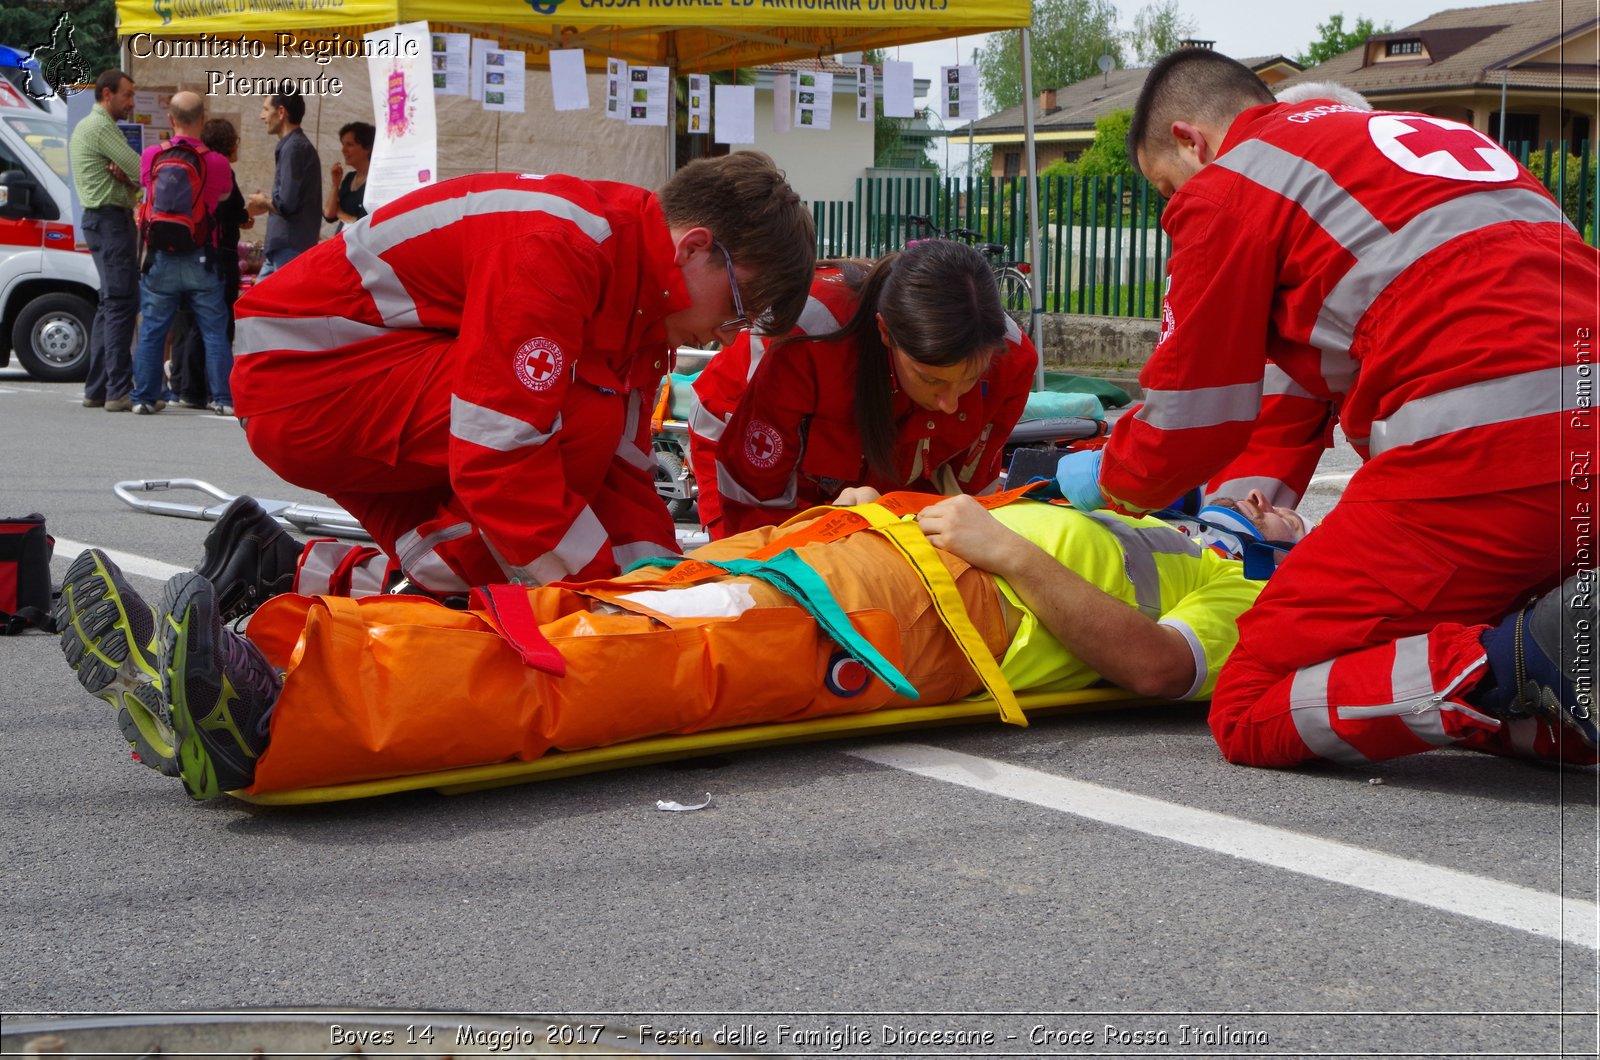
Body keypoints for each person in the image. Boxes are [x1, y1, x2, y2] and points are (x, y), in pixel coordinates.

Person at [1049, 48, 1600, 768]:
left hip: (1482, 453)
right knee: (1472, 620)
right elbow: (1283, 401)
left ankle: (1516, 663)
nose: (1172, 206)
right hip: (1567, 446)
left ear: (1192, 140)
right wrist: (1232, 524)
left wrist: (1101, 479)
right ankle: (1547, 697)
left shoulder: (1232, 183)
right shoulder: (1427, 153)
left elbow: (1188, 420)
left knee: (1249, 705)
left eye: (1164, 185)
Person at [54, 489, 1265, 800]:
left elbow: (1153, 667)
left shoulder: (1243, 600)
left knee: (633, 657)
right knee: (590, 615)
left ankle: (277, 710)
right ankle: (284, 627)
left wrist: (1002, 549)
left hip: (913, 622)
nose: (1278, 502)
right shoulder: (1167, 523)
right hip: (858, 563)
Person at [226, 152, 816, 605]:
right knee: (567, 430)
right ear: (693, 248)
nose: (726, 335)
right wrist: (602, 598)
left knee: (492, 580)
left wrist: (668, 592)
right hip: (303, 379)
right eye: (739, 306)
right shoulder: (561, 245)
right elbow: (499, 455)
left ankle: (288, 571)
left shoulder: (636, 290)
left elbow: (627, 480)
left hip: (360, 381)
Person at [689, 239, 1039, 538]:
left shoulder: (1013, 361)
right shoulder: (811, 336)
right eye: (931, 379)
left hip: (865, 467)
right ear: (885, 332)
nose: (949, 405)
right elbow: (754, 502)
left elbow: (967, 503)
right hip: (743, 442)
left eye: (970, 379)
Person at [126, 92, 236, 417]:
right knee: (214, 330)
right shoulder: (217, 162)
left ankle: (144, 397)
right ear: (203, 119)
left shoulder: (151, 156)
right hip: (202, 255)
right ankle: (223, 399)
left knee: (153, 328)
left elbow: (146, 190)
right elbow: (226, 196)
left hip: (159, 256)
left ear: (171, 119)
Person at [167, 118, 252, 412]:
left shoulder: (197, 166)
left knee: (189, 320)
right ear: (228, 144)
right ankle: (203, 389)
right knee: (216, 323)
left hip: (191, 251)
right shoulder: (221, 169)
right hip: (220, 253)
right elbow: (235, 210)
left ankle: (185, 385)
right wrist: (248, 214)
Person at [68, 69, 140, 413]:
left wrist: (127, 181)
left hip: (102, 221)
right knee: (121, 303)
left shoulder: (90, 126)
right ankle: (117, 390)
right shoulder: (101, 128)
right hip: (110, 222)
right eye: (127, 95)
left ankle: (97, 388)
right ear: (107, 94)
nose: (132, 103)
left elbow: (130, 176)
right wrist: (131, 181)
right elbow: (142, 170)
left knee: (109, 305)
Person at [246, 86, 321, 277]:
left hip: (290, 246)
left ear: (281, 112)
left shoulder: (294, 148)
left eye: (265, 109)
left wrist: (263, 201)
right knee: (258, 303)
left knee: (278, 304)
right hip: (285, 246)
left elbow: (287, 203)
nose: (262, 116)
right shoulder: (294, 146)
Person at [322, 120, 373, 230]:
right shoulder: (349, 177)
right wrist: (335, 184)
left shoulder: (375, 180)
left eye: (350, 145)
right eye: (343, 144)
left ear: (367, 148)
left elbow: (368, 223)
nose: (343, 150)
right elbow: (329, 214)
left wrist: (340, 214)